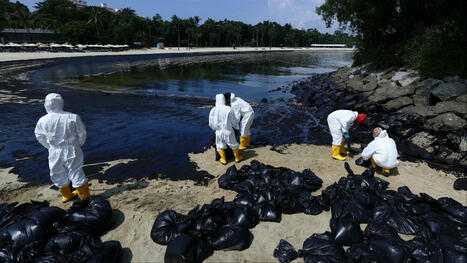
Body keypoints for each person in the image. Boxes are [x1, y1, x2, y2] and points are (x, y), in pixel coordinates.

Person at [34, 93, 90, 202]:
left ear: (47, 104)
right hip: (72, 148)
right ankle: (84, 196)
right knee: (76, 170)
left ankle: (66, 195)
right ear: (61, 103)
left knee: (57, 171)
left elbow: (39, 136)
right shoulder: (73, 117)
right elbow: (82, 133)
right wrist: (78, 144)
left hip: (54, 150)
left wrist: (49, 146)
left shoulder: (42, 120)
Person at [209, 94, 243, 164]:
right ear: (224, 100)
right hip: (228, 130)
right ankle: (237, 158)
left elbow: (211, 124)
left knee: (219, 145)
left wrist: (215, 129)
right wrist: (236, 128)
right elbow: (234, 121)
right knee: (233, 144)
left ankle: (223, 159)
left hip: (218, 131)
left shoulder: (213, 110)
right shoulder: (228, 109)